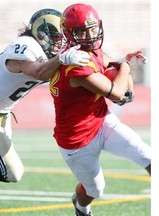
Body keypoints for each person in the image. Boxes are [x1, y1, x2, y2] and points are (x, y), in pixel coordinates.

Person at [49, 3, 151, 216]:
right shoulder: (75, 63)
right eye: (81, 31)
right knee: (95, 190)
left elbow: (114, 73)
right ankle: (80, 205)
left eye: (92, 28)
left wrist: (122, 63)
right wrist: (124, 66)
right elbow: (116, 94)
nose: (89, 35)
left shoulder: (87, 50)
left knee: (148, 156)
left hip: (102, 121)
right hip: (77, 140)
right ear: (69, 33)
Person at [0, 8, 92, 188]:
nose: (59, 43)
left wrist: (118, 64)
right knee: (10, 171)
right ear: (41, 34)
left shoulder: (49, 53)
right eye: (56, 37)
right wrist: (62, 59)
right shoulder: (26, 45)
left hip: (1, 114)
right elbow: (38, 72)